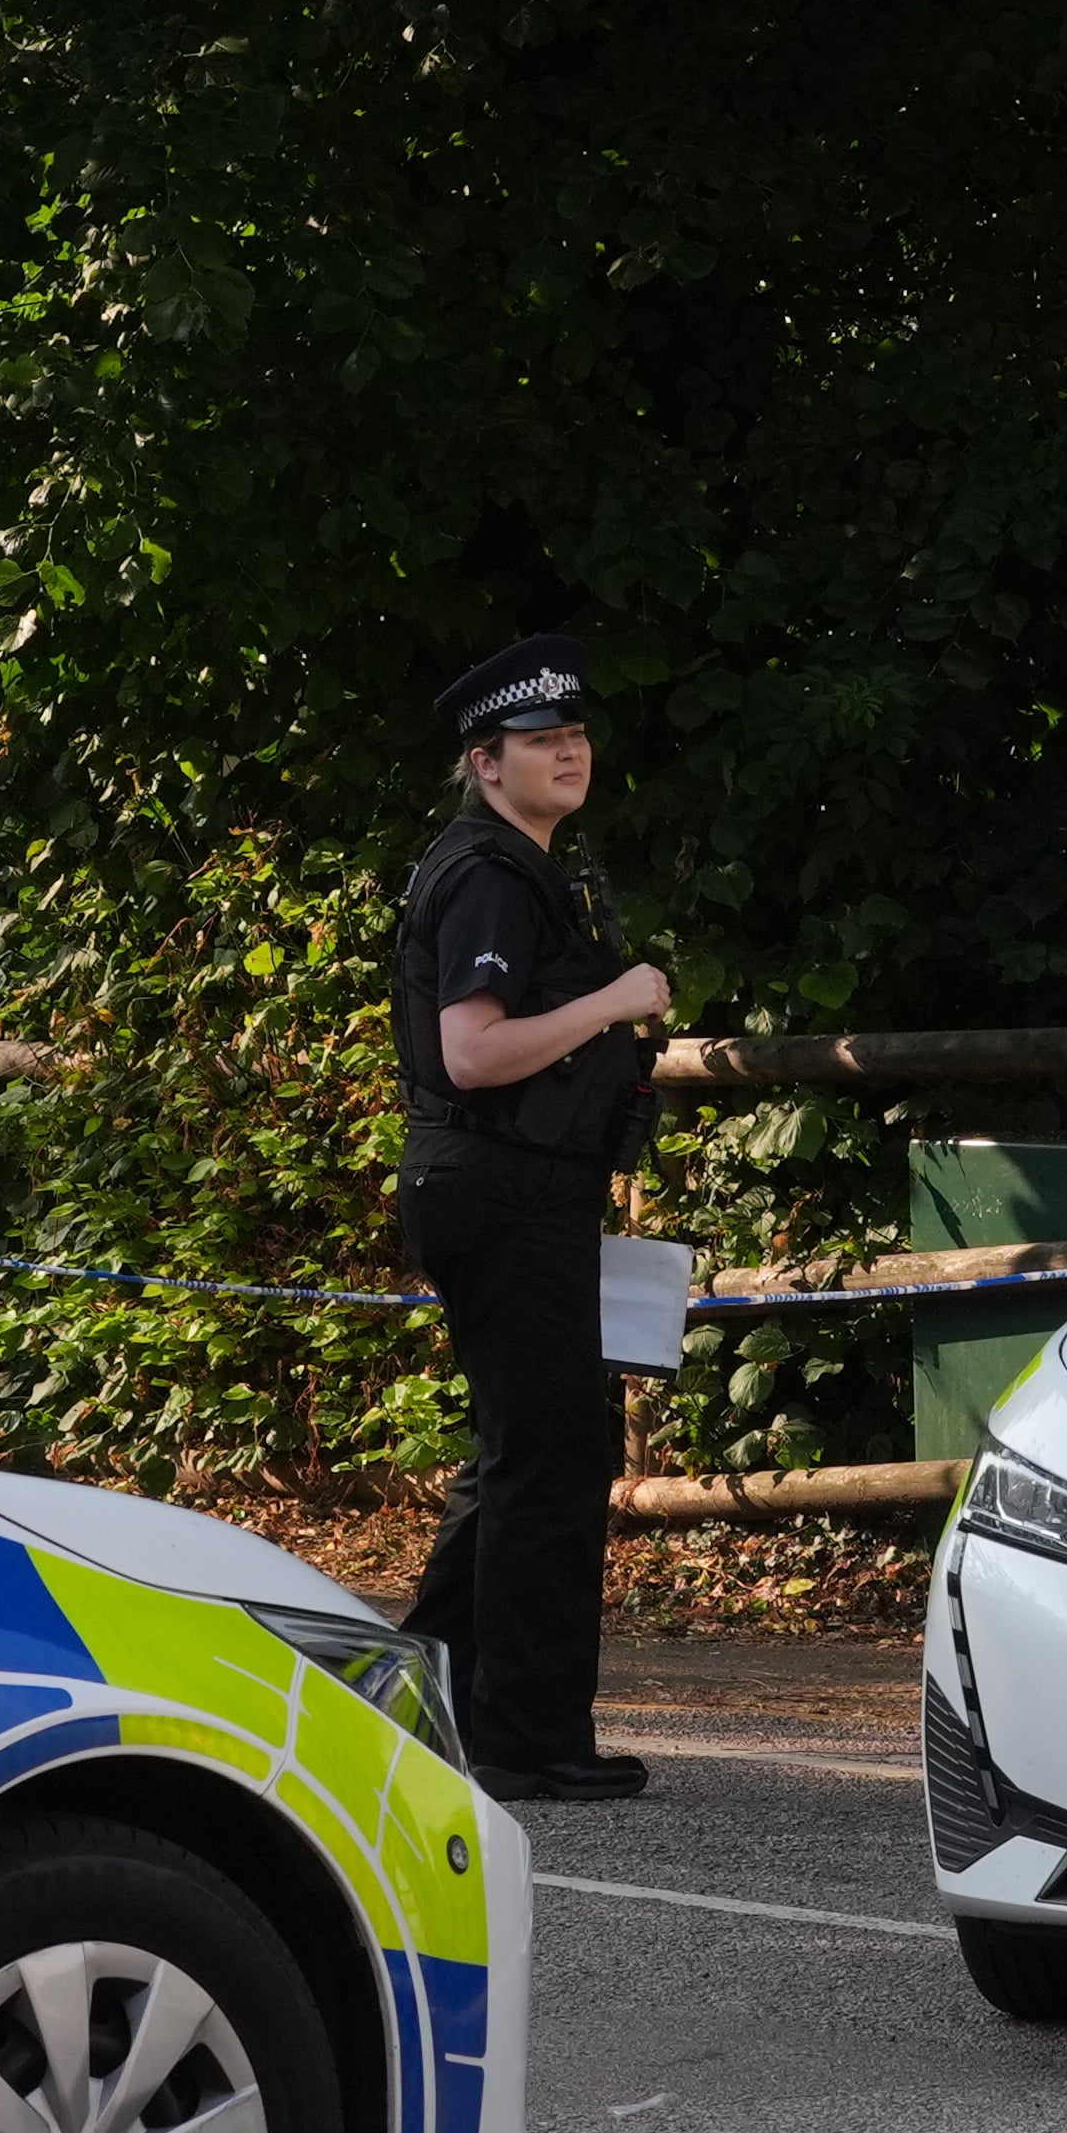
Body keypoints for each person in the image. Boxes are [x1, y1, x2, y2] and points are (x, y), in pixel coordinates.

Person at [391, 633, 675, 1801]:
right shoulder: (493, 874)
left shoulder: (522, 866)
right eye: (541, 739)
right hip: (501, 1187)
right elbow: (474, 1049)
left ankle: (423, 1698)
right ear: (484, 760)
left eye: (577, 734)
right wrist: (617, 997)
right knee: (553, 1461)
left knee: (520, 1455)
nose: (569, 750)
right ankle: (526, 1737)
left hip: (513, 1189)